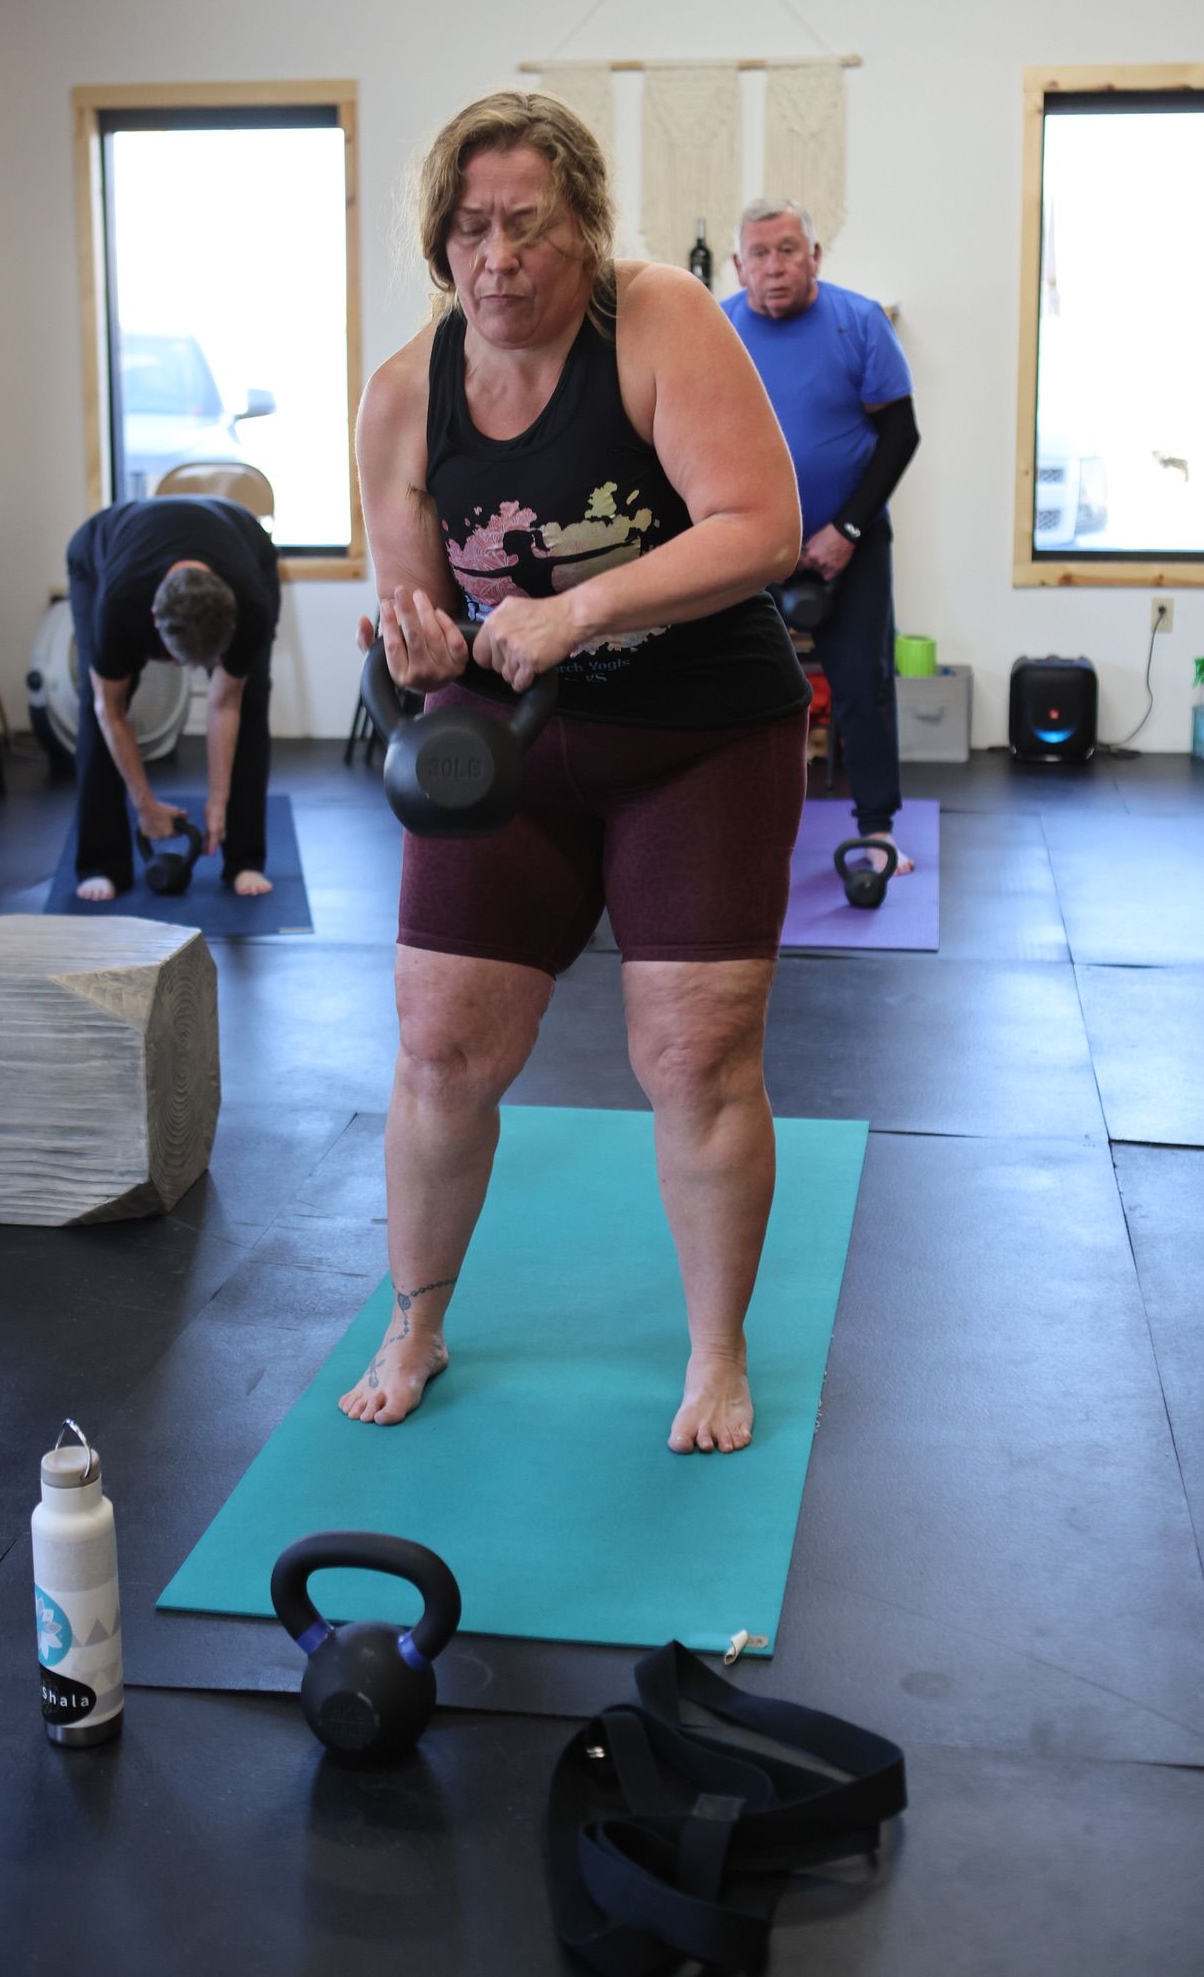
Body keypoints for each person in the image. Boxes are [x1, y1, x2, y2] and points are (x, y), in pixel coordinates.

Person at [343, 90, 809, 1454]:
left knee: (697, 1051)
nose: (499, 257)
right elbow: (415, 620)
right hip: (516, 758)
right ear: (441, 242)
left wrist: (579, 611)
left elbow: (765, 524)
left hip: (701, 736)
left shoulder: (656, 318)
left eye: (528, 226)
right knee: (439, 1043)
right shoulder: (399, 398)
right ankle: (416, 1318)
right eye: (472, 228)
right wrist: (421, 647)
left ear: (588, 228)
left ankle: (715, 1349)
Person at [726, 200, 921, 872]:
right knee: (731, 687)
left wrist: (847, 529)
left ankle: (878, 831)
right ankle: (731, 829)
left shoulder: (858, 321)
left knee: (862, 683)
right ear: (737, 265)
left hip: (851, 543)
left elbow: (901, 434)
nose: (775, 266)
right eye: (760, 253)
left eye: (789, 250)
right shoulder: (717, 331)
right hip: (749, 547)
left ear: (815, 256)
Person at [65, 494, 280, 900]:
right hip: (101, 549)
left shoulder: (250, 606)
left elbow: (225, 702)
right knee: (97, 706)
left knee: (250, 697)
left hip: (244, 541)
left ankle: (244, 858)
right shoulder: (119, 604)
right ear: (152, 622)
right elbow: (109, 709)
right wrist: (144, 804)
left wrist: (219, 800)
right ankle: (100, 863)